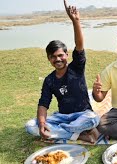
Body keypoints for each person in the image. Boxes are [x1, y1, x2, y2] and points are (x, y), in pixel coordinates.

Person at [25, 0, 100, 143]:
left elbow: (79, 45)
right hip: (62, 116)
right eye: (53, 57)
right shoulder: (49, 80)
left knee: (93, 119)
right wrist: (42, 125)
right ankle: (77, 134)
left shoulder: (76, 67)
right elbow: (43, 104)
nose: (57, 59)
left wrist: (75, 21)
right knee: (30, 126)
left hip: (83, 115)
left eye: (60, 55)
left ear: (66, 55)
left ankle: (60, 131)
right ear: (49, 59)